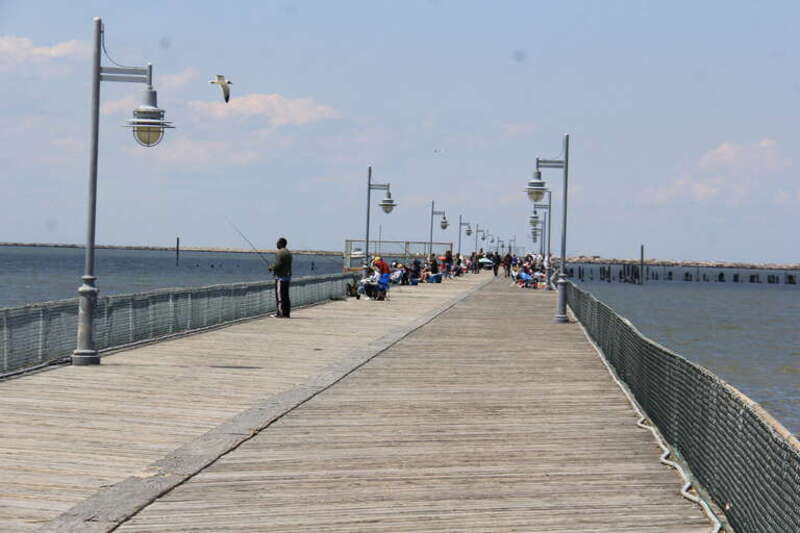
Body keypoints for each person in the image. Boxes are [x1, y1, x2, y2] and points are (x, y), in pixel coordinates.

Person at [267, 237, 292, 318]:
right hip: (287, 277)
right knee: (286, 296)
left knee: (280, 296)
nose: (276, 244)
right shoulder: (288, 252)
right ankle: (286, 313)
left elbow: (278, 264)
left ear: (281, 243)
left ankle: (280, 313)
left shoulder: (280, 253)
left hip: (281, 278)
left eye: (277, 243)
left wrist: (271, 267)